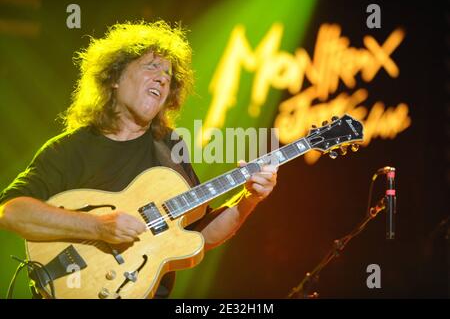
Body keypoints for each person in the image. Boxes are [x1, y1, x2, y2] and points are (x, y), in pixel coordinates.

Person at [0, 21, 277, 298]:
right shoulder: (70, 149)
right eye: (151, 66)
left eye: (168, 75)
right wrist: (99, 227)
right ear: (114, 78)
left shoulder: (170, 148)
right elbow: (11, 211)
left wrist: (248, 199)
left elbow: (199, 237)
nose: (162, 78)